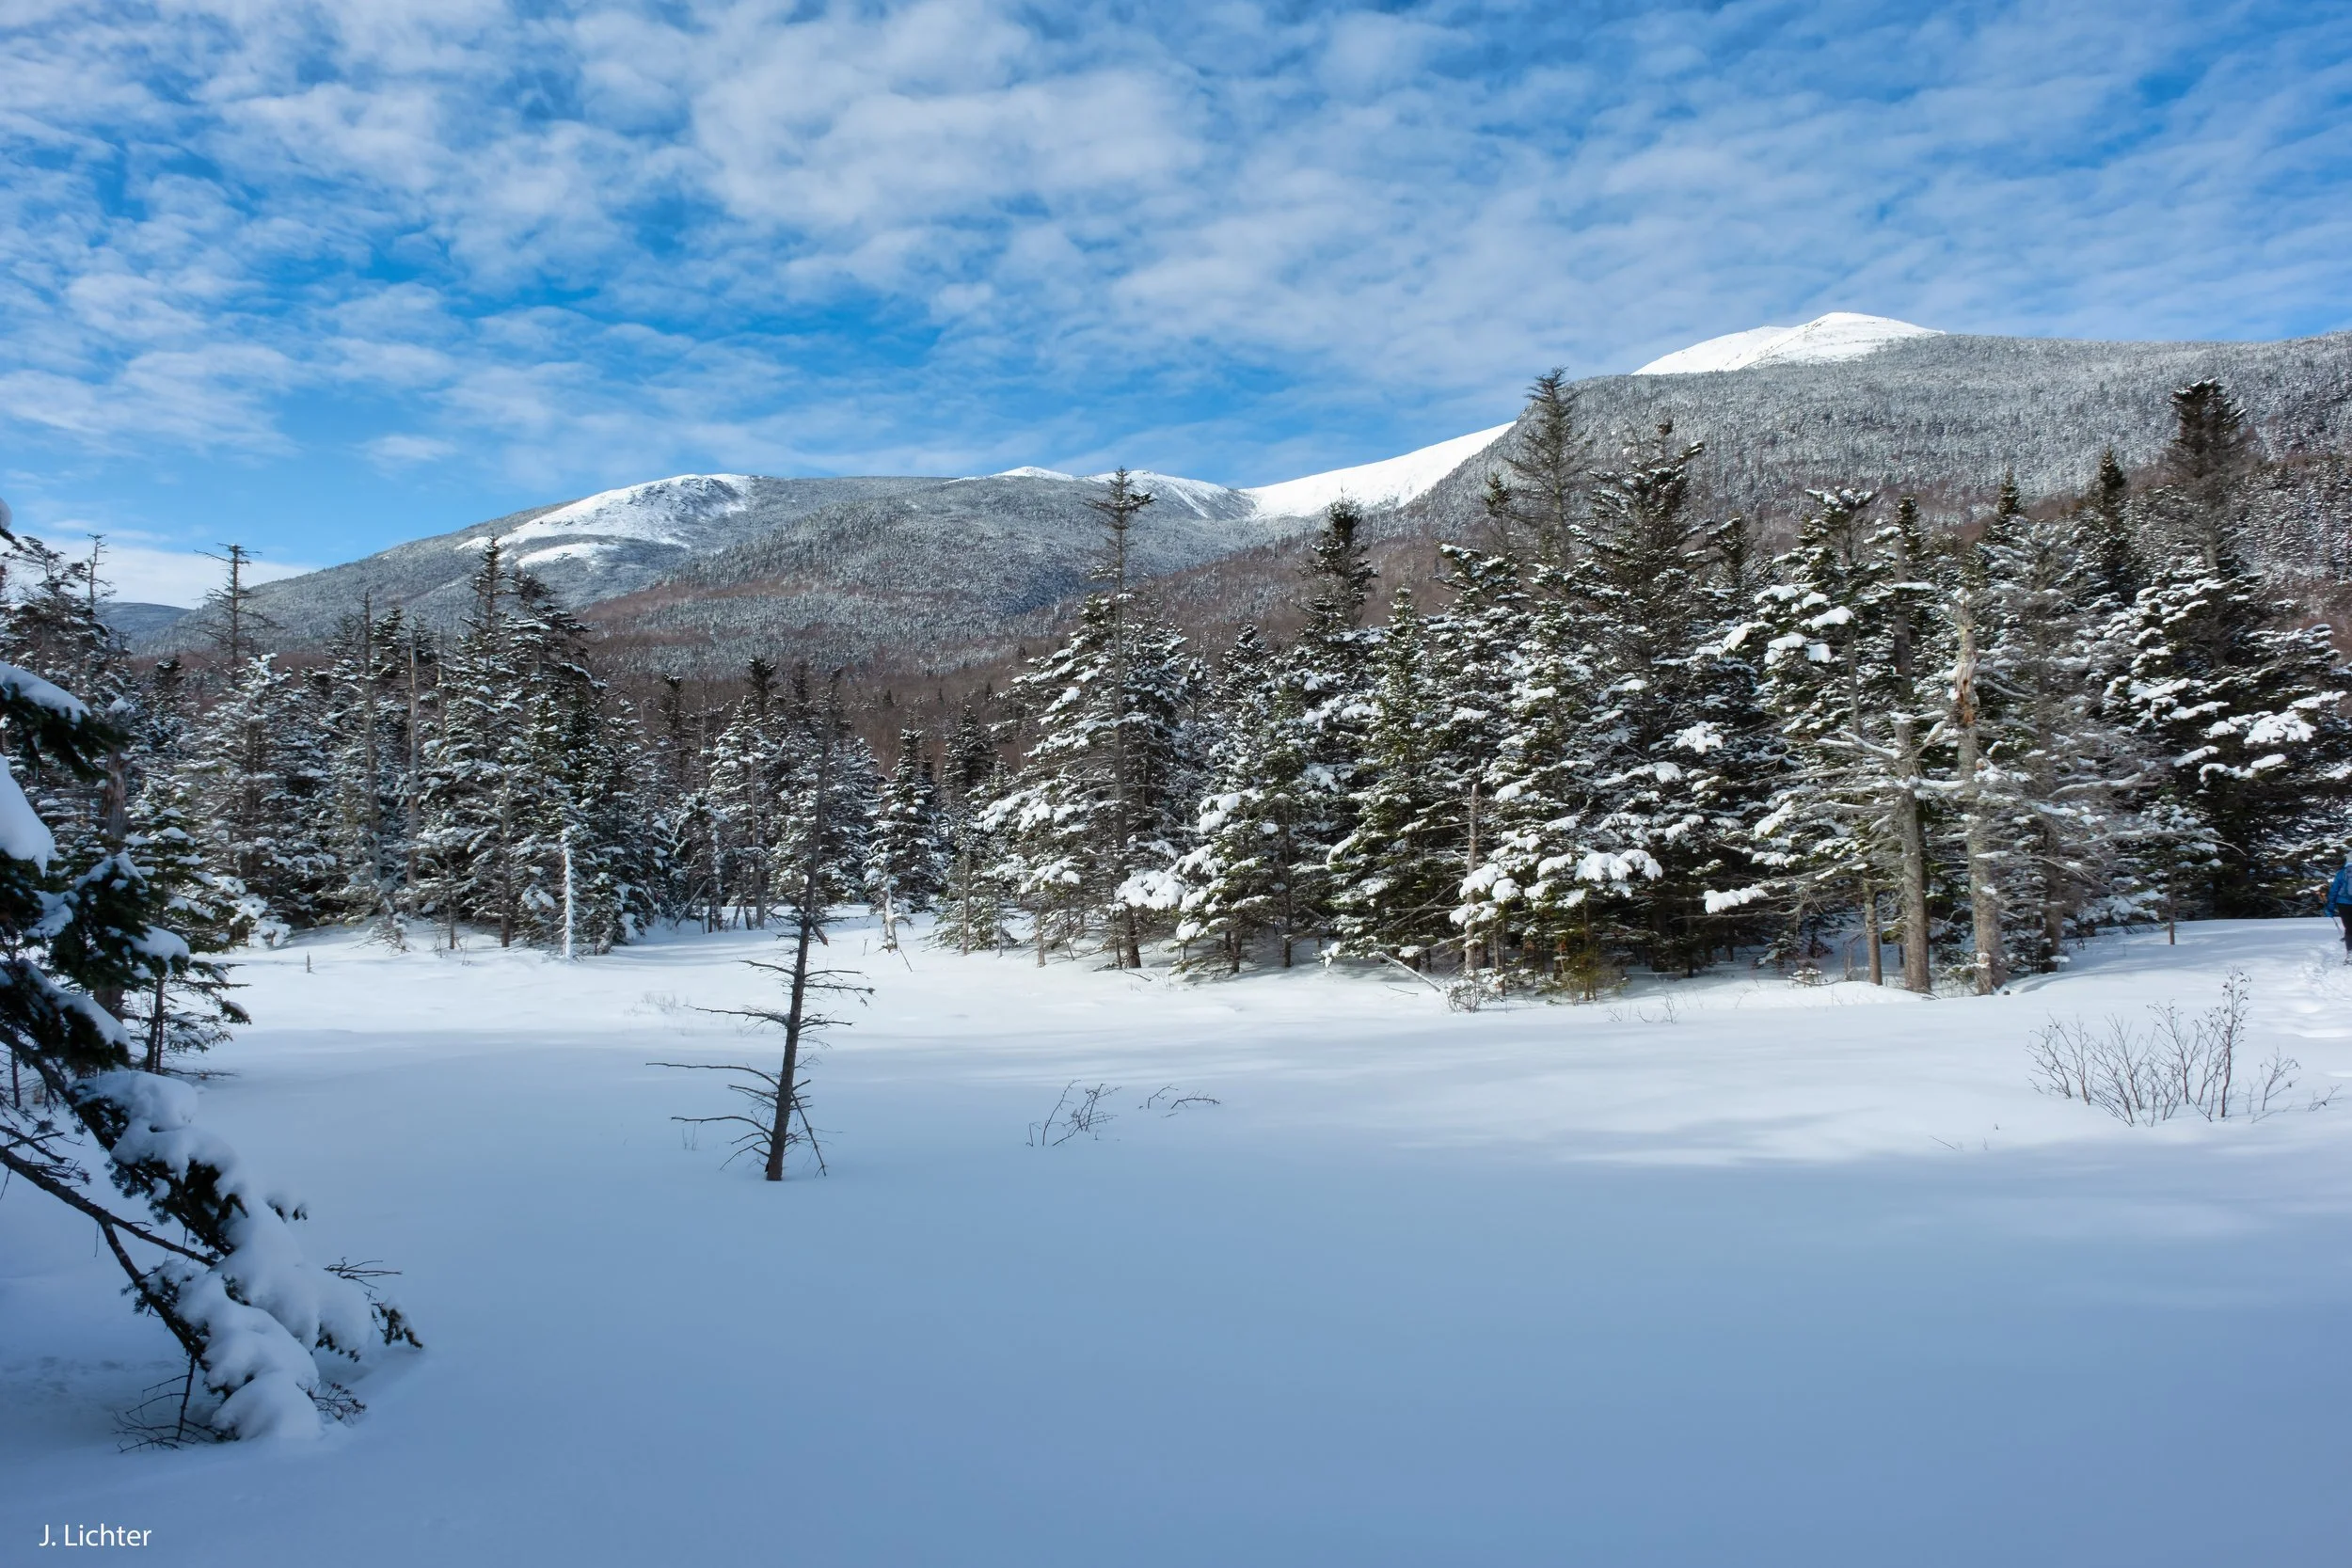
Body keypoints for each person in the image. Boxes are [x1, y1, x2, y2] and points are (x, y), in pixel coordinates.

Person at [2327, 854, 2352, 958]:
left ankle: (2350, 954)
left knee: (2349, 928)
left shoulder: (2341, 873)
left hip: (2344, 904)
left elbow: (2334, 891)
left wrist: (2330, 907)